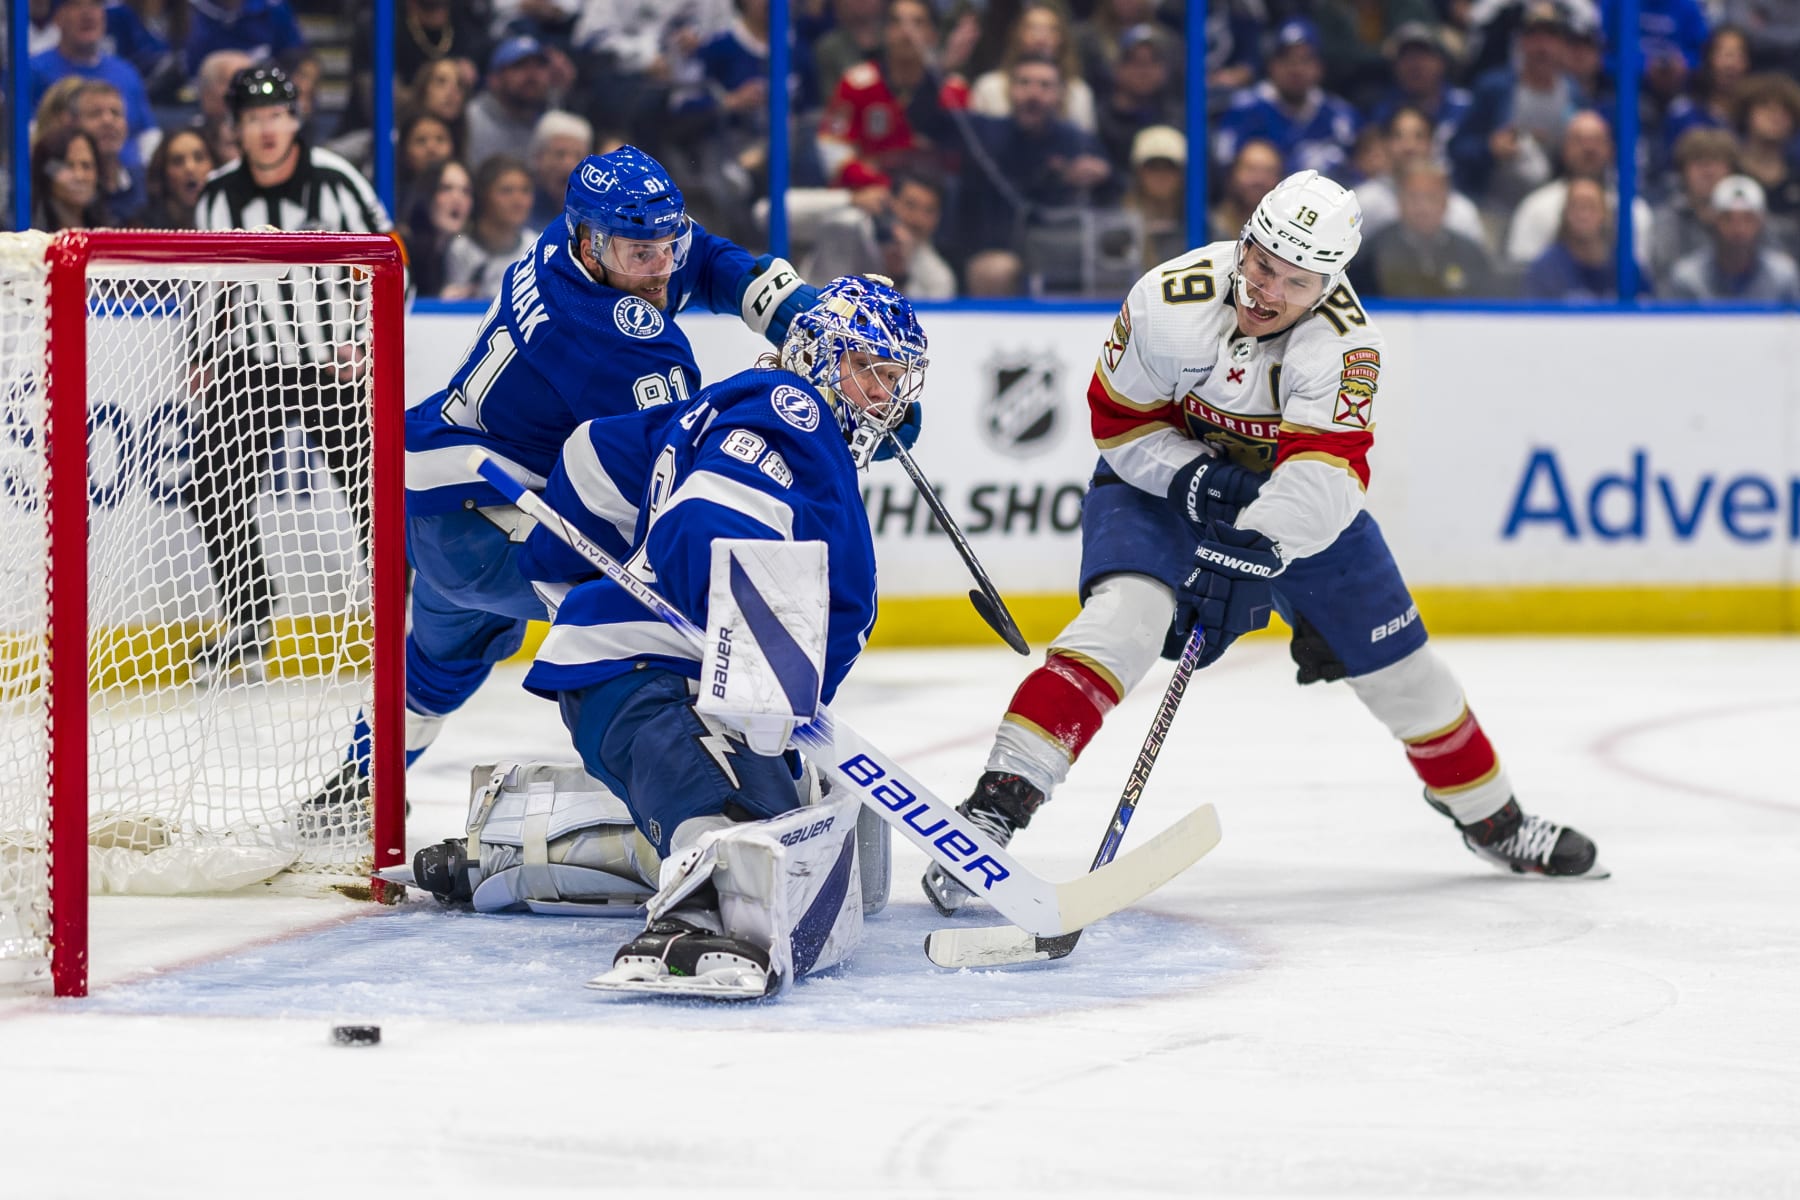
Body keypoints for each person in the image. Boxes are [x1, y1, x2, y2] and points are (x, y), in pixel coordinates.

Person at [920, 169, 1605, 921]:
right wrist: (1199, 482)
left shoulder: (1347, 347)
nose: (1266, 292)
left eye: (1295, 282)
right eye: (1262, 264)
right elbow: (1120, 426)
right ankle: (993, 812)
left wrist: (1257, 547)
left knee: (1409, 678)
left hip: (1290, 514)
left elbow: (1327, 477)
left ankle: (1495, 821)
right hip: (1157, 487)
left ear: (1329, 286)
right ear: (1244, 242)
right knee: (1123, 622)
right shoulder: (1167, 300)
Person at [407, 275, 927, 997]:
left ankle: (510, 849)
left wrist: (564, 578)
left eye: (895, 378)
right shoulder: (792, 410)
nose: (882, 395)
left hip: (649, 671)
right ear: (814, 354)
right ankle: (694, 920)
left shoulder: (727, 409)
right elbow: (705, 522)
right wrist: (733, 639)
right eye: (867, 367)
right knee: (741, 840)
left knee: (781, 833)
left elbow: (594, 455)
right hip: (649, 674)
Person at [306, 145, 845, 823]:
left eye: (665, 246)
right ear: (592, 245)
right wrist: (812, 414)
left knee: (441, 664)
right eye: (639, 254)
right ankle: (718, 788)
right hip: (492, 530)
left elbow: (701, 257)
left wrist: (785, 303)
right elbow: (681, 467)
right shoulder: (616, 337)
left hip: (443, 501)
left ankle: (357, 785)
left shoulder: (565, 250)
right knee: (647, 617)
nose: (659, 269)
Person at [184, 63, 396, 682]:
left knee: (375, 492)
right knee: (210, 481)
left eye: (276, 115)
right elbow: (207, 286)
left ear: (296, 119)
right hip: (252, 367)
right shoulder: (218, 194)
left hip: (335, 367)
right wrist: (201, 353)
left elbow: (390, 262)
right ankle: (250, 621)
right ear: (236, 128)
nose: (267, 129)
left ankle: (401, 616)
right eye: (254, 118)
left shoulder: (337, 180)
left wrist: (367, 342)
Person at [1661, 173, 1800, 301]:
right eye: (1728, 218)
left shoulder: (1782, 276)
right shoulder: (1689, 278)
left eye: (1748, 219)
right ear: (1714, 222)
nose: (1738, 228)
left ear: (1760, 224)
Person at [440, 154, 538, 300]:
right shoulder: (459, 248)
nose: (518, 201)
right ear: (483, 195)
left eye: (525, 190)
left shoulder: (536, 246)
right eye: (506, 191)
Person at [132, 127, 216, 229]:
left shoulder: (226, 216)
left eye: (199, 158)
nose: (190, 168)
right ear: (163, 172)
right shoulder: (142, 228)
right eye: (178, 161)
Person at [29, 127, 106, 231]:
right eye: (68, 166)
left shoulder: (109, 230)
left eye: (86, 165)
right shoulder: (27, 233)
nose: (79, 176)